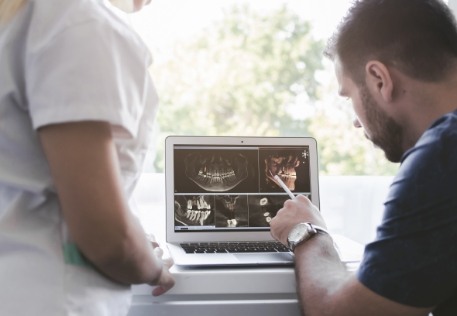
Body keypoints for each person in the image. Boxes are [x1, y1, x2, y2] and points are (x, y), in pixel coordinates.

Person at [270, 0, 457, 315]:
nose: (356, 121)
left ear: (380, 80)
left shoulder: (442, 156)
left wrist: (307, 231)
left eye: (349, 95)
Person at [0, 0, 175, 315]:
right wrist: (152, 268)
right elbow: (108, 240)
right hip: (51, 296)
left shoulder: (26, 18)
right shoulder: (79, 23)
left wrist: (131, 234)